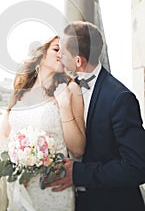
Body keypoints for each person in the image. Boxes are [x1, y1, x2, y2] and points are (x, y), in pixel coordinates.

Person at [46, 21, 145, 211]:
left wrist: (79, 173)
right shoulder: (65, 87)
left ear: (78, 61)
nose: (59, 55)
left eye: (63, 52)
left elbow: (138, 167)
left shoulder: (119, 98)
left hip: (112, 204)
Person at [0, 36, 86, 211]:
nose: (62, 54)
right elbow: (2, 135)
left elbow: (78, 149)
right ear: (41, 54)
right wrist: (14, 163)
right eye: (56, 49)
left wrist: (65, 106)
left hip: (52, 187)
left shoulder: (70, 88)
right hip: (21, 185)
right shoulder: (21, 87)